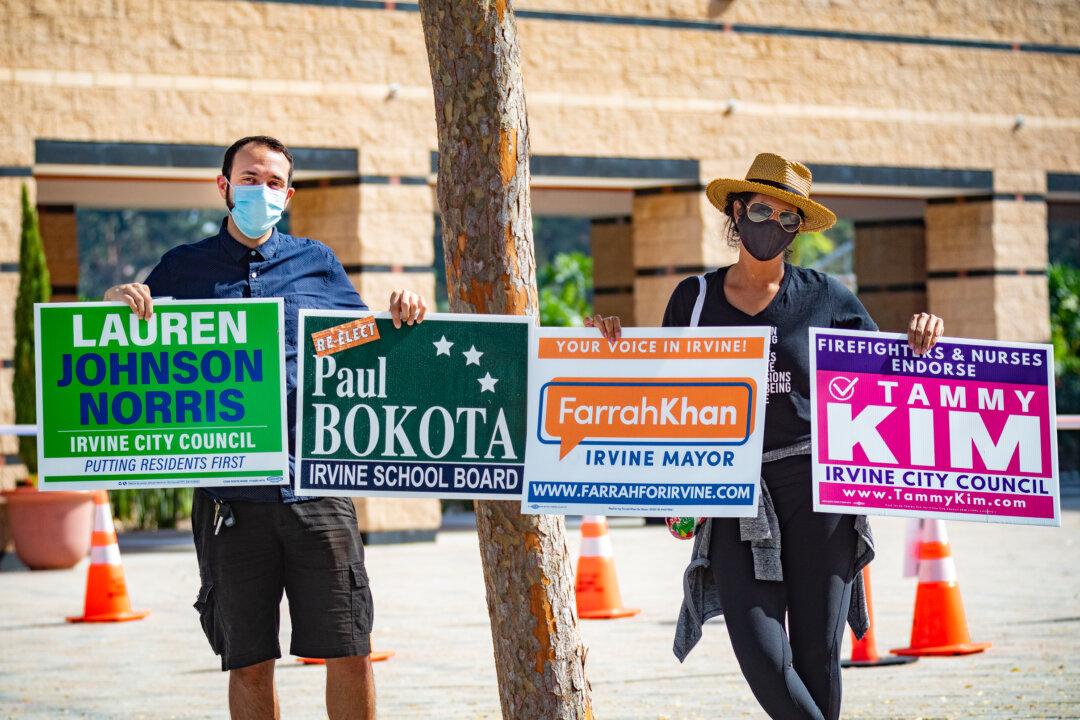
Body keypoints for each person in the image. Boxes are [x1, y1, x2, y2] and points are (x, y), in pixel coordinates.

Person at [587, 152, 944, 720]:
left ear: (799, 228)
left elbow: (893, 378)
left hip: (819, 494)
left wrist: (922, 338)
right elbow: (656, 390)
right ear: (735, 211)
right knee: (759, 652)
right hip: (731, 494)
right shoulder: (694, 299)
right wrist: (605, 349)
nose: (771, 226)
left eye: (787, 218)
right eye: (760, 210)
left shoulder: (828, 296)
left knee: (816, 658)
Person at [104, 136, 427, 720]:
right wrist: (111, 304)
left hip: (317, 486)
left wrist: (399, 316)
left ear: (289, 193)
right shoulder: (183, 266)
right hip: (232, 497)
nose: (263, 190)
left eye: (275, 182)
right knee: (248, 659)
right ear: (223, 186)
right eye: (250, 178)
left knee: (349, 649)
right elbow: (127, 342)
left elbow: (358, 345)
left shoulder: (318, 262)